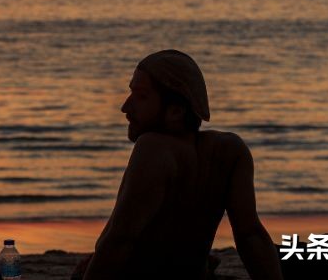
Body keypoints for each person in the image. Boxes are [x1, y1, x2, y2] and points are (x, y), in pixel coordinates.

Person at [78, 50, 283, 280]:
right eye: (131, 93)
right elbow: (250, 235)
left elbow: (120, 239)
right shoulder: (230, 150)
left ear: (176, 111)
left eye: (141, 96)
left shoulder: (153, 148)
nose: (125, 107)